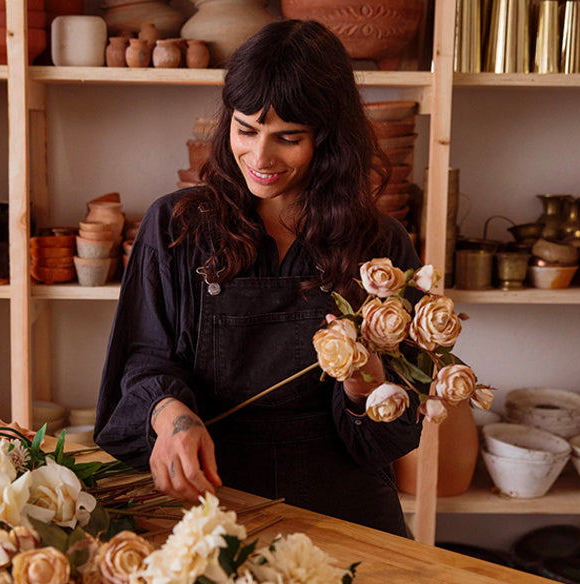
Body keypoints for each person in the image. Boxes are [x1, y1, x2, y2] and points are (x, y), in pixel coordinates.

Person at [94, 19, 424, 537]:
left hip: (341, 502)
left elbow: (390, 436)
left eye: (288, 138)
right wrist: (172, 416)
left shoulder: (380, 247)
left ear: (329, 139)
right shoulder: (177, 227)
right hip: (207, 490)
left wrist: (369, 388)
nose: (261, 158)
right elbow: (143, 359)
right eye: (246, 129)